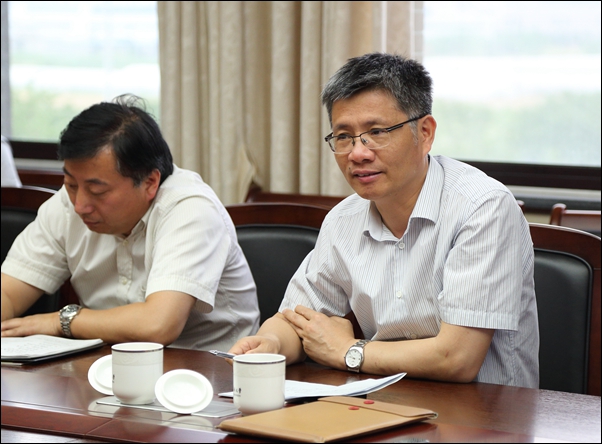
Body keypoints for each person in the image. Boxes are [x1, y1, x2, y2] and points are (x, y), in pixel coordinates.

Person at [229, 53, 539, 388]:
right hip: (385, 403)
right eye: (343, 136)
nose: (358, 153)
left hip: (485, 412)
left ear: (425, 132)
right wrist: (271, 344)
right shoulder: (343, 220)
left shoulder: (482, 207)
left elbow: (458, 358)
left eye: (376, 132)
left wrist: (349, 351)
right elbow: (296, 319)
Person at [1, 95, 260, 351]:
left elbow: (158, 325)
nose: (80, 205)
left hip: (207, 369)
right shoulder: (67, 205)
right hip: (105, 366)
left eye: (98, 191)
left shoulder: (190, 209)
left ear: (150, 182)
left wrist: (61, 321)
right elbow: (9, 293)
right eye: (70, 184)